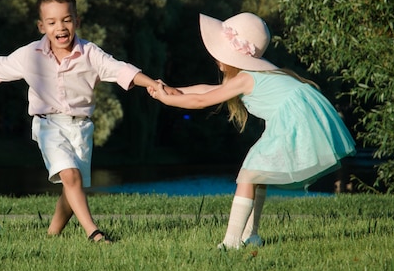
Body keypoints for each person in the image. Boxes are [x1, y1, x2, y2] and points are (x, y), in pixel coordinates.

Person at [0, 0, 164, 243]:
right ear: (41, 26)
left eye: (66, 20)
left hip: (81, 128)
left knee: (72, 189)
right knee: (71, 177)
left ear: (77, 21)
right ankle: (94, 233)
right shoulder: (30, 55)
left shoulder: (90, 53)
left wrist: (151, 83)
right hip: (48, 124)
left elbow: (118, 69)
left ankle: (51, 236)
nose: (60, 27)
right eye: (51, 22)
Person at [148, 12, 356, 249]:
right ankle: (251, 235)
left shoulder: (246, 78)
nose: (217, 58)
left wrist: (168, 101)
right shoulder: (254, 75)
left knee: (248, 174)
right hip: (297, 118)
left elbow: (201, 101)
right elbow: (207, 90)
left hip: (293, 122)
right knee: (258, 174)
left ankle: (231, 242)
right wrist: (174, 90)